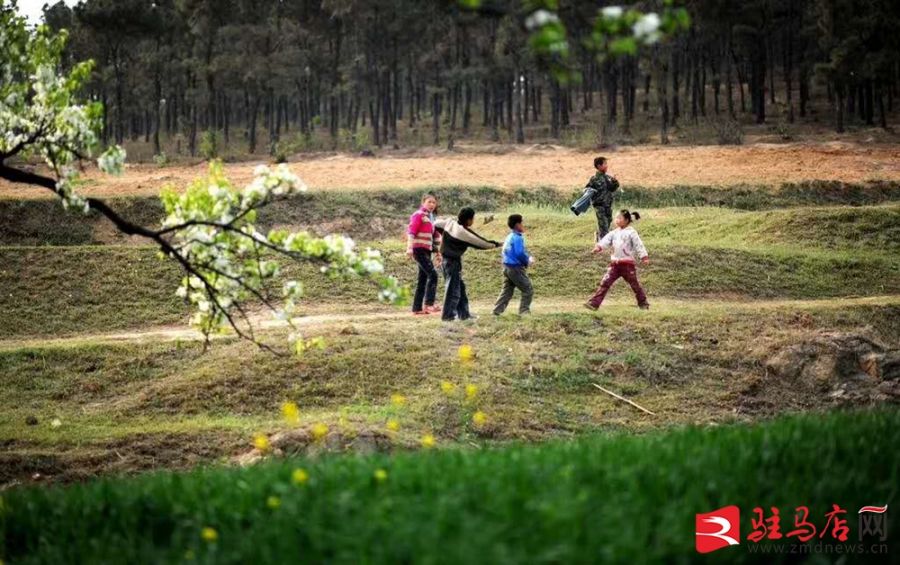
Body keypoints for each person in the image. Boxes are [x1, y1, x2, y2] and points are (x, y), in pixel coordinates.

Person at [434, 207, 501, 322]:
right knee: (453, 290)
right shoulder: (463, 232)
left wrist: (443, 233)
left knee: (460, 288)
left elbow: (436, 223)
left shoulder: (450, 222)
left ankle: (464, 314)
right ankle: (448, 316)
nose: (473, 221)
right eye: (473, 218)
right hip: (452, 262)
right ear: (469, 220)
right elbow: (481, 242)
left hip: (447, 261)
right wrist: (497, 244)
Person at [585, 209, 650, 310]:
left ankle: (643, 302)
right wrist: (598, 247)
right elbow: (605, 240)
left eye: (619, 218)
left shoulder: (631, 232)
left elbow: (639, 245)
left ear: (627, 220)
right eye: (616, 218)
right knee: (605, 282)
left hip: (627, 265)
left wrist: (644, 257)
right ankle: (594, 303)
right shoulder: (614, 233)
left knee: (634, 284)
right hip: (615, 265)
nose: (616, 220)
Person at [406, 193, 442, 315]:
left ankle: (417, 308)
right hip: (418, 250)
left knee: (423, 279)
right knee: (433, 275)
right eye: (429, 202)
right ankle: (428, 304)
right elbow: (411, 232)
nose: (432, 204)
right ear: (423, 203)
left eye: (434, 202)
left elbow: (435, 237)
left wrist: (438, 253)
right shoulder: (418, 215)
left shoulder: (431, 219)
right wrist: (409, 248)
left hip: (426, 250)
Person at [493, 214, 534, 316]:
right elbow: (519, 253)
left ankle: (497, 311)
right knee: (527, 289)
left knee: (507, 291)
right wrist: (527, 260)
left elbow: (505, 251)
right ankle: (524, 312)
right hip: (515, 268)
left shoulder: (509, 236)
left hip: (506, 267)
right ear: (517, 225)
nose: (523, 225)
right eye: (521, 223)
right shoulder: (517, 238)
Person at [585, 156, 620, 241]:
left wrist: (615, 181)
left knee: (608, 221)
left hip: (608, 205)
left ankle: (599, 236)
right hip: (599, 206)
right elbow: (587, 190)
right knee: (603, 224)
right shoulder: (594, 179)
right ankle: (603, 244)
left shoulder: (608, 178)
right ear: (599, 166)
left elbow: (613, 188)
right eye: (605, 164)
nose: (607, 166)